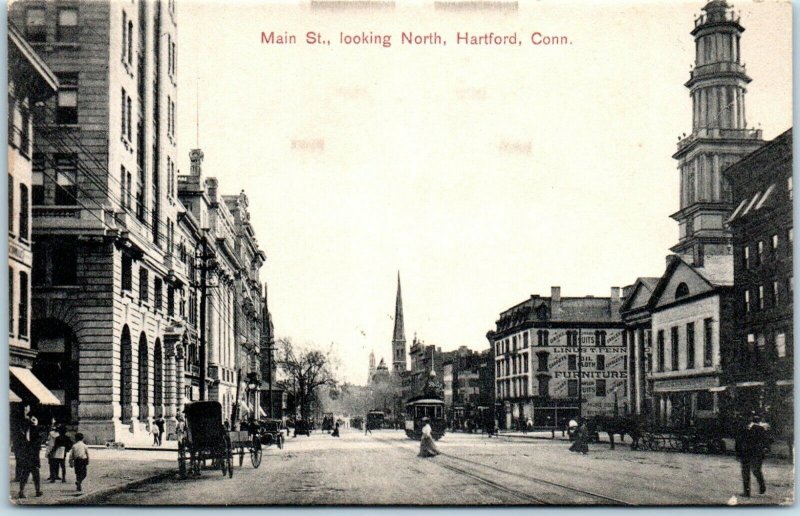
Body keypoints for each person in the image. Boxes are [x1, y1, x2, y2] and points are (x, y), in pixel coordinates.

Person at [736, 415, 769, 497]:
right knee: (756, 470)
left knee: (746, 471)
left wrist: (738, 453)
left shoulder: (744, 428)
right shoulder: (762, 429)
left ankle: (747, 492)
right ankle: (761, 486)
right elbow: (766, 442)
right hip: (756, 453)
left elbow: (739, 441)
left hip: (747, 452)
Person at [17, 416, 43, 499]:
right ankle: (37, 491)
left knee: (24, 474)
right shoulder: (37, 432)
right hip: (34, 457)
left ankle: (21, 491)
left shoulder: (24, 432)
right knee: (36, 475)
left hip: (26, 456)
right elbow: (38, 445)